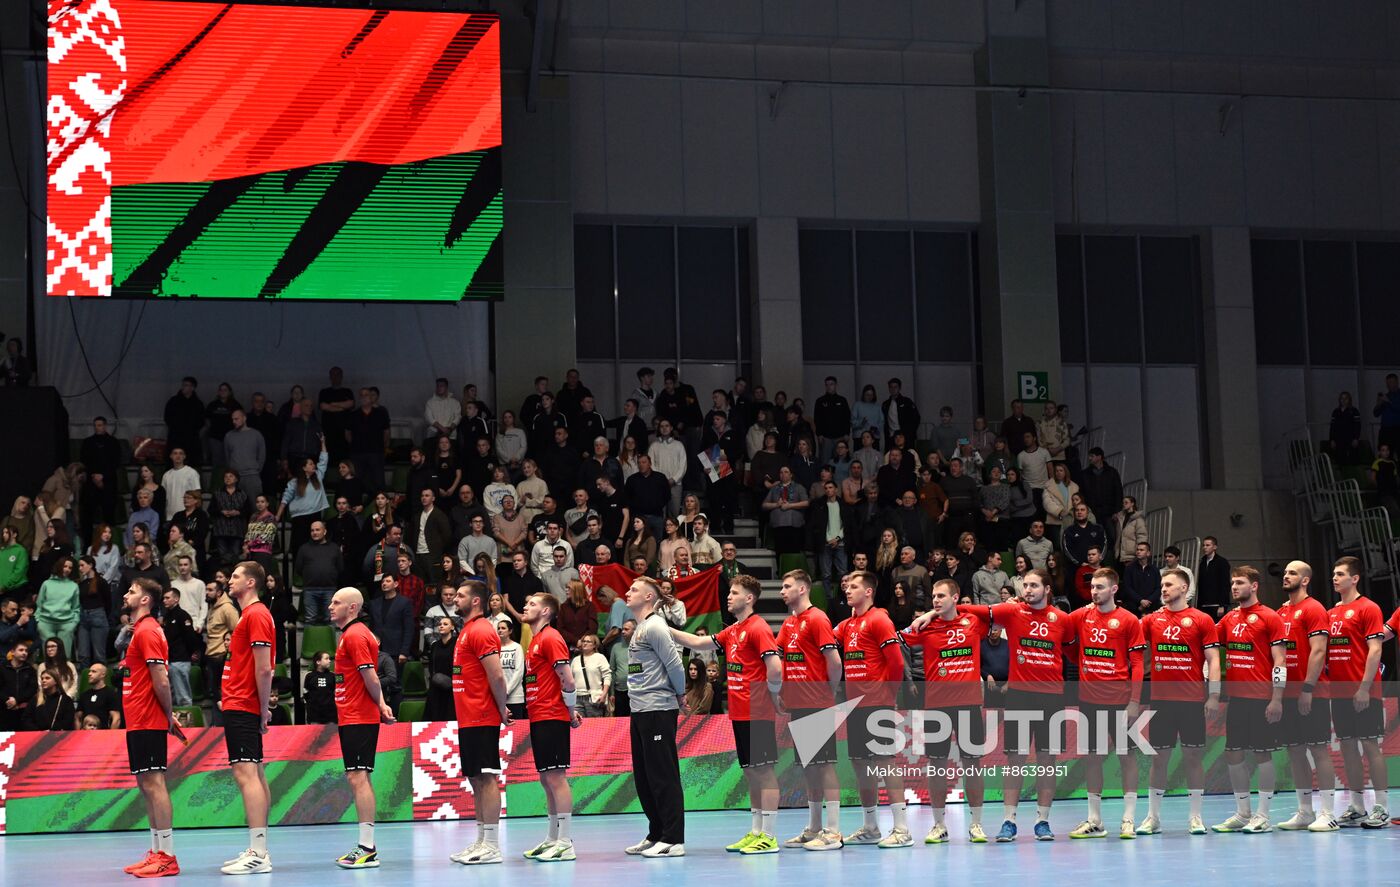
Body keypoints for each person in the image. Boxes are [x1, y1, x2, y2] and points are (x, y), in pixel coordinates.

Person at [669, 575, 782, 854]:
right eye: (729, 592)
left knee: (764, 772)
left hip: (757, 710)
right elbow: (698, 643)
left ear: (749, 598)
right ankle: (756, 831)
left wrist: (775, 695)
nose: (728, 596)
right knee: (751, 772)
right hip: (739, 711)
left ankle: (769, 835)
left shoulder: (758, 627)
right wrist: (664, 628)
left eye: (734, 592)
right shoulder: (733, 630)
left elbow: (775, 667)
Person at [899, 577, 993, 844]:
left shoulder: (972, 622)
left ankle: (976, 824)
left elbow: (992, 613)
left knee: (973, 765)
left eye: (941, 596)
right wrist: (928, 615)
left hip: (969, 704)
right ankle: (939, 824)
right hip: (936, 707)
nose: (936, 600)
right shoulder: (926, 627)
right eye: (933, 597)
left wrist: (955, 610)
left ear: (956, 597)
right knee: (937, 766)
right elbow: (896, 638)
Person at [1062, 568, 1145, 840]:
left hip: (1120, 702)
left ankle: (1128, 819)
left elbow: (1137, 664)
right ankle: (1095, 820)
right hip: (1089, 702)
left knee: (1126, 757)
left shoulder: (1129, 620)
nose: (1094, 591)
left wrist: (1134, 702)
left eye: (1100, 587)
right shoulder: (1082, 615)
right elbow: (1059, 628)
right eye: (1093, 587)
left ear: (1114, 589)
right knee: (1092, 759)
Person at [1135, 567, 1220, 835]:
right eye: (1162, 584)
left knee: (1194, 757)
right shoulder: (1151, 621)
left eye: (1169, 584)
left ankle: (1195, 817)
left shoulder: (1201, 619)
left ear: (1184, 588)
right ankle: (1153, 817)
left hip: (1192, 700)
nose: (1163, 589)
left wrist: (1214, 695)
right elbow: (1130, 636)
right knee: (1159, 759)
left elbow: (1214, 660)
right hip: (1161, 700)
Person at [765, 571, 844, 851]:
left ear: (802, 588)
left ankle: (833, 831)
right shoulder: (789, 623)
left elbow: (834, 662)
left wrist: (829, 691)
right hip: (798, 704)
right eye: (782, 586)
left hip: (817, 702)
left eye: (787, 587)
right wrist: (780, 692)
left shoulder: (818, 618)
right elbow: (780, 659)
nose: (782, 591)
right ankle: (813, 827)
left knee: (825, 766)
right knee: (809, 768)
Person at [832, 570, 911, 848]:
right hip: (855, 707)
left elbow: (897, 664)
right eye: (846, 586)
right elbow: (826, 642)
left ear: (868, 592)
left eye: (853, 586)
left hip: (878, 704)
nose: (847, 590)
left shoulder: (879, 619)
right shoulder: (848, 624)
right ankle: (871, 826)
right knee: (861, 765)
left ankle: (902, 830)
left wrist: (886, 696)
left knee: (886, 764)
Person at [1211, 565, 1286, 834]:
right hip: (1237, 700)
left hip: (1262, 698)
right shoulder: (1229, 619)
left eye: (1240, 583)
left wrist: (1277, 698)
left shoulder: (1269, 617)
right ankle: (1243, 813)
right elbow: (1207, 641)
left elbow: (1280, 660)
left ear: (1254, 586)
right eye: (1232, 583)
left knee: (1262, 754)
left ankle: (1263, 816)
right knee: (1233, 754)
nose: (1234, 587)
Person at [113, 578, 180, 875]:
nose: (126, 594)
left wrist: (167, 715)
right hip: (137, 718)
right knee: (145, 785)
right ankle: (156, 851)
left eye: (132, 591)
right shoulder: (139, 631)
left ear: (145, 600)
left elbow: (162, 679)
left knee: (155, 784)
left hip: (149, 718)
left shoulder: (150, 630)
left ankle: (168, 855)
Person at [326, 587, 396, 869]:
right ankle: (367, 846)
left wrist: (380, 705)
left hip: (359, 717)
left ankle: (367, 847)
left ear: (352, 608)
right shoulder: (350, 634)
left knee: (358, 777)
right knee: (358, 777)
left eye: (337, 602)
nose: (331, 606)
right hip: (352, 715)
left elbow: (372, 677)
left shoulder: (355, 635)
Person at [622, 576, 688, 858]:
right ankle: (657, 832)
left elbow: (674, 663)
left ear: (649, 597)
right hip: (639, 710)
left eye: (634, 589)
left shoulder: (657, 626)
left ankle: (673, 839)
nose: (628, 592)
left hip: (659, 708)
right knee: (645, 777)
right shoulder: (640, 628)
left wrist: (681, 694)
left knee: (663, 775)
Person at [1271, 561, 1340, 831]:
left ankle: (1328, 813)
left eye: (1293, 573)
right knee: (1295, 751)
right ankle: (1305, 811)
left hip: (1311, 693)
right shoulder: (1280, 612)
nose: (1286, 576)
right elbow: (1277, 657)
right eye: (1286, 573)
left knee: (1318, 750)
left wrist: (1308, 689)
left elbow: (1319, 651)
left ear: (1306, 580)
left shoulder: (1314, 609)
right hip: (1286, 694)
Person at [219, 561, 277, 875]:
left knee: (247, 775)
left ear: (251, 582)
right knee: (254, 772)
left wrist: (263, 708)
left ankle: (258, 852)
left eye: (236, 576)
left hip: (244, 704)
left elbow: (265, 668)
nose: (230, 580)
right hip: (240, 702)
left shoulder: (256, 615)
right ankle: (260, 850)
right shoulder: (248, 616)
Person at [447, 580, 511, 865]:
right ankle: (482, 841)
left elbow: (497, 676)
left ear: (475, 601)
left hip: (482, 715)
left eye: (460, 595)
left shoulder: (483, 629)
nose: (454, 598)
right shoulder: (466, 631)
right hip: (467, 717)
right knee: (475, 779)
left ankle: (493, 846)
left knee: (486, 778)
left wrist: (501, 708)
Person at [520, 593, 584, 861]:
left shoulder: (551, 637)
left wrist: (570, 711)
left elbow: (568, 680)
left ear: (546, 611)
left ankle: (566, 842)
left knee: (556, 778)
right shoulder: (534, 641)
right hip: (538, 715)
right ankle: (552, 838)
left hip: (552, 715)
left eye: (532, 604)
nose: (526, 606)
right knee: (545, 779)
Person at [1335, 556, 1391, 828]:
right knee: (1347, 748)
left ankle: (1380, 807)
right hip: (1339, 693)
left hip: (1364, 691)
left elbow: (1376, 649)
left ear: (1354, 578)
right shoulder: (1331, 613)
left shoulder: (1369, 608)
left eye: (1340, 574)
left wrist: (1364, 688)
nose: (1335, 578)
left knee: (1370, 746)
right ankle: (1357, 806)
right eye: (1334, 573)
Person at [275, 435, 329, 557]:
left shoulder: (318, 477)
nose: (313, 465)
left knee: (315, 544)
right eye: (310, 464)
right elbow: (285, 500)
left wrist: (323, 443)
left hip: (314, 515)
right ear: (304, 467)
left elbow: (324, 459)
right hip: (299, 517)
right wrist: (277, 516)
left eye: (313, 463)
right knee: (299, 546)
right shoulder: (294, 482)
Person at [159, 588, 198, 708]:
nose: (164, 600)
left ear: (176, 599)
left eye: (167, 598)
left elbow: (190, 637)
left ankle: (188, 726)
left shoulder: (182, 615)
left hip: (180, 659)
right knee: (172, 699)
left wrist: (193, 652)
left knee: (183, 697)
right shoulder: (166, 617)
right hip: (169, 660)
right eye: (164, 598)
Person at [37, 556, 80, 655]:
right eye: (65, 566)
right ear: (59, 566)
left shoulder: (74, 586)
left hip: (66, 624)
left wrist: (73, 624)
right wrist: (38, 621)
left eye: (70, 568)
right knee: (49, 656)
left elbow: (76, 607)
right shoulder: (47, 584)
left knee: (65, 655)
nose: (67, 569)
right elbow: (39, 604)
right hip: (46, 623)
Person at [570, 633, 610, 718]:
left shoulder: (600, 657)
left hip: (593, 697)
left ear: (595, 645)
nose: (585, 643)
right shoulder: (575, 660)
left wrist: (604, 693)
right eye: (583, 641)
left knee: (595, 727)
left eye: (588, 641)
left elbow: (607, 676)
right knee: (579, 726)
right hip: (577, 698)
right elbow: (570, 679)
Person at [78, 660, 121, 729]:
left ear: (103, 675)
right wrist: (78, 736)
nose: (89, 674)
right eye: (90, 671)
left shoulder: (111, 694)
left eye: (93, 671)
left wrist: (110, 737)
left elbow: (116, 719)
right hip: (84, 737)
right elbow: (77, 718)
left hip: (102, 736)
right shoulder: (84, 695)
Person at [1121, 542, 1162, 613]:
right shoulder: (1129, 568)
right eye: (1137, 550)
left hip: (1151, 606)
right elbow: (1127, 587)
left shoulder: (1154, 569)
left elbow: (1158, 588)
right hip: (1133, 607)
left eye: (1141, 550)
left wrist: (1148, 601)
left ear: (1148, 553)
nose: (1138, 552)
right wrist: (1140, 600)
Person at [1196, 537, 1231, 620]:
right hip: (1203, 605)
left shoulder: (1222, 562)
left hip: (1217, 605)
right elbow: (1200, 584)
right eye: (1204, 545)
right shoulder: (1202, 562)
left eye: (1208, 545)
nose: (1205, 547)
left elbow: (1225, 584)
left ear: (1215, 547)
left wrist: (1222, 605)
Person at [303, 652, 336, 724]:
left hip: (330, 715)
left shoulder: (332, 676)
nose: (330, 661)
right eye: (326, 659)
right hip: (314, 715)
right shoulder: (309, 676)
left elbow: (336, 692)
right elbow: (305, 692)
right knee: (315, 735)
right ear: (318, 662)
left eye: (329, 659)